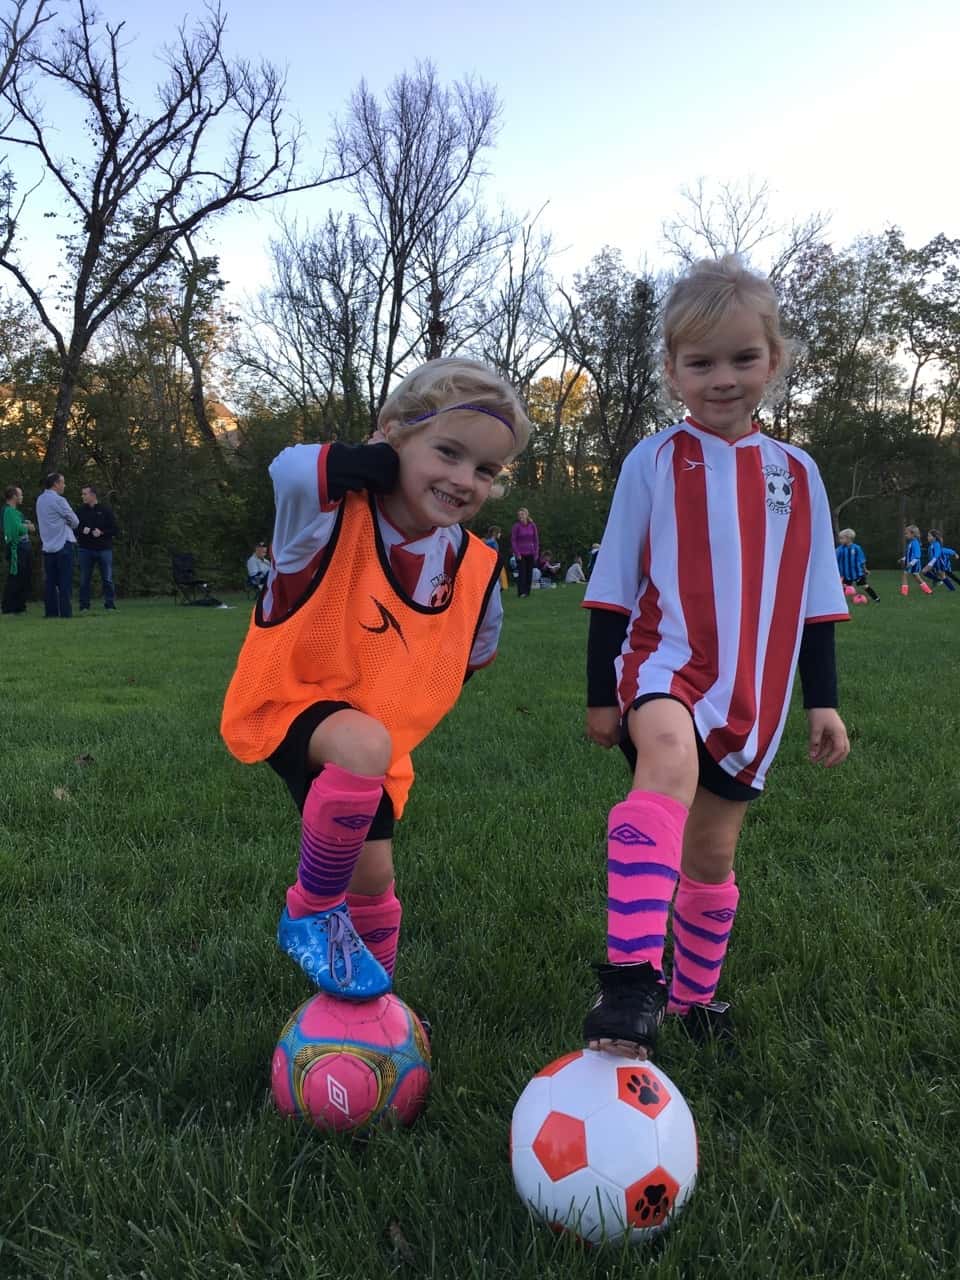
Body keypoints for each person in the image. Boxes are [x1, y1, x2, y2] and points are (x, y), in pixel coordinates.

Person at [582, 255, 850, 1061]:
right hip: (664, 667)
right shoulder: (653, 460)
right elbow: (612, 587)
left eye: (743, 358)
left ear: (774, 360)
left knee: (712, 853)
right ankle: (632, 979)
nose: (723, 378)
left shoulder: (798, 473)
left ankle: (696, 1002)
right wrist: (604, 692)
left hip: (754, 700)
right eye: (700, 362)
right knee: (663, 764)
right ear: (672, 371)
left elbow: (816, 601)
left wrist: (822, 700)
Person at [221, 357, 531, 1001]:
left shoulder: (474, 565)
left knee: (374, 881)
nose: (462, 479)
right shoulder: (324, 520)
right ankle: (309, 907)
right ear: (392, 437)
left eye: (484, 470)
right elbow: (290, 469)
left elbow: (475, 652)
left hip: (377, 751)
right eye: (446, 451)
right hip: (287, 706)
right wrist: (373, 460)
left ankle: (365, 1004)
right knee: (362, 745)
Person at [36, 472, 78, 618]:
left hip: (48, 545)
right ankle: (66, 613)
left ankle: (51, 612)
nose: (64, 485)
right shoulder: (59, 500)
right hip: (63, 544)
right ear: (55, 484)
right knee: (64, 581)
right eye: (63, 482)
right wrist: (66, 521)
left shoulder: (40, 500)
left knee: (50, 582)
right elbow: (75, 521)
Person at [76, 483, 117, 611]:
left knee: (107, 579)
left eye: (85, 494)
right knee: (84, 580)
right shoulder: (80, 511)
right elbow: (73, 529)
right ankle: (84, 606)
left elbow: (115, 529)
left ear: (93, 495)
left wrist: (102, 532)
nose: (82, 496)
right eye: (82, 494)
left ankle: (109, 604)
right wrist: (83, 530)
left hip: (104, 549)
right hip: (85, 549)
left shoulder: (105, 510)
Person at [2, 485, 35, 615]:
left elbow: (29, 526)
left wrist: (25, 525)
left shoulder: (18, 513)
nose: (22, 497)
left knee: (24, 576)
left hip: (25, 547)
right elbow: (16, 529)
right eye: (20, 495)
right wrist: (26, 526)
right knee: (15, 577)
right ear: (14, 496)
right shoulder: (8, 511)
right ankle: (9, 607)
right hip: (16, 548)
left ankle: (20, 606)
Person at [835, 528, 879, 603]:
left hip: (857, 573)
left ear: (848, 538)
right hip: (846, 574)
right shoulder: (840, 549)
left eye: (842, 538)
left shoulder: (857, 548)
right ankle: (839, 602)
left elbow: (862, 560)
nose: (840, 540)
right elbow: (834, 558)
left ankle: (876, 599)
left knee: (865, 586)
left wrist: (865, 569)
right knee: (842, 587)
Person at [511, 507, 538, 597]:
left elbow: (536, 540)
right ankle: (521, 592)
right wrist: (517, 553)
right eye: (519, 515)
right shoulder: (516, 526)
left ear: (527, 515)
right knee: (522, 573)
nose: (520, 516)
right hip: (520, 554)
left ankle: (527, 591)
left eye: (522, 514)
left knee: (529, 573)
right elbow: (513, 541)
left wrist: (536, 553)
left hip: (531, 552)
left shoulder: (532, 525)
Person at [899, 525, 933, 597]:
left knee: (905, 575)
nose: (905, 535)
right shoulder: (911, 543)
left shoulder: (915, 543)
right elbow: (909, 554)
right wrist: (903, 559)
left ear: (912, 534)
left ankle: (904, 593)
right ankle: (928, 591)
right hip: (911, 563)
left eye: (906, 533)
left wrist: (911, 563)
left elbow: (917, 556)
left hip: (913, 564)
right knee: (917, 577)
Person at [483, 525, 509, 591]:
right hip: (491, 561)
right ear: (495, 533)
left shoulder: (492, 541)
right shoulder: (492, 541)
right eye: (499, 532)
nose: (500, 534)